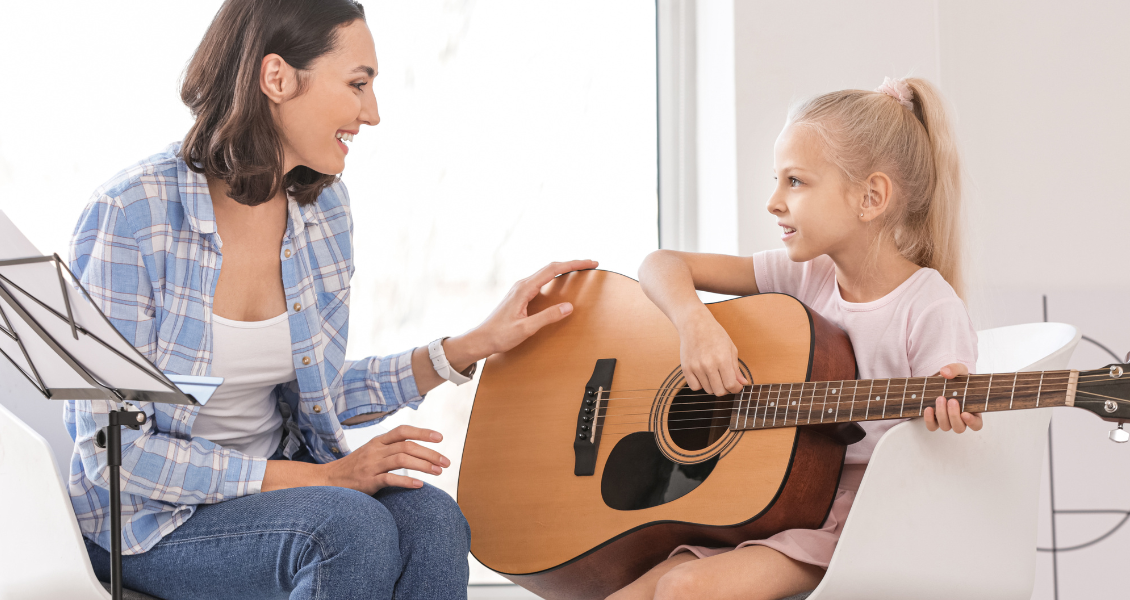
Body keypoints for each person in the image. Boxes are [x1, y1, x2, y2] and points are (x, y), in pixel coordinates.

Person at [65, 1, 594, 598]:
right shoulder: (131, 215)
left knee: (436, 521)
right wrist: (318, 478)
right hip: (146, 521)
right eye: (357, 85)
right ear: (278, 79)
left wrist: (466, 348)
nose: (372, 113)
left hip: (283, 496)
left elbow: (317, 392)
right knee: (349, 529)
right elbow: (115, 452)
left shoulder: (323, 214)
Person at [612, 77, 980, 600]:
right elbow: (660, 264)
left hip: (853, 526)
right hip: (764, 501)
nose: (773, 201)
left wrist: (950, 404)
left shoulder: (930, 305)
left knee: (684, 590)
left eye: (795, 182)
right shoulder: (804, 276)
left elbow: (951, 402)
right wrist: (696, 325)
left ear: (870, 197)